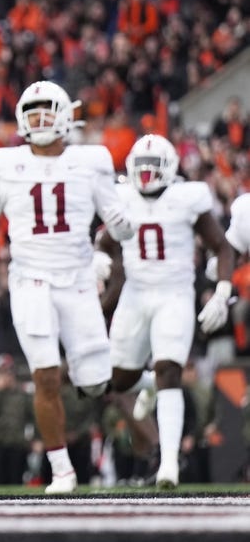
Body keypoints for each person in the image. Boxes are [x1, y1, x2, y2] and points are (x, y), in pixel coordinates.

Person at [0, 80, 135, 493]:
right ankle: (62, 470)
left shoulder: (89, 162)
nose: (39, 120)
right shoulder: (5, 164)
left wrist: (124, 226)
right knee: (46, 376)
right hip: (30, 279)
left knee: (92, 381)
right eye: (32, 113)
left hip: (77, 281)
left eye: (47, 112)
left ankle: (142, 382)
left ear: (66, 116)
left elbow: (119, 219)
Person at [94, 134, 234, 489]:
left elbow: (221, 246)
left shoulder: (187, 198)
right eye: (140, 168)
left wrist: (222, 292)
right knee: (116, 380)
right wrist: (99, 258)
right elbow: (106, 240)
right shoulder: (123, 197)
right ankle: (148, 385)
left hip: (174, 293)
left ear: (169, 168)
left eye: (152, 168)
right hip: (135, 294)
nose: (145, 176)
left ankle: (169, 464)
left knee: (169, 369)